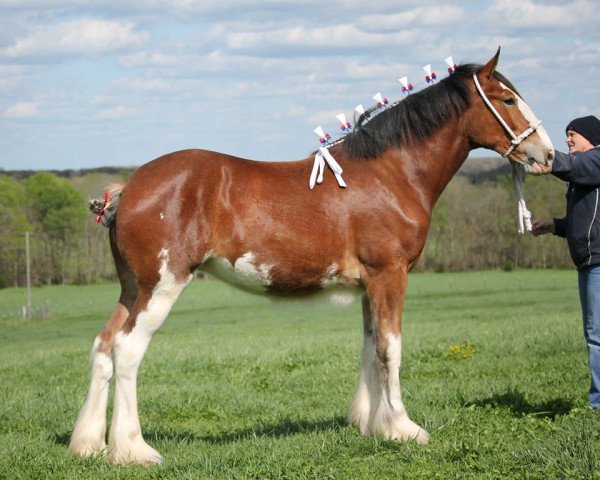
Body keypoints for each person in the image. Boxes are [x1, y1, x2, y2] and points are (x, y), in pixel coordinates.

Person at [532, 115, 600, 409]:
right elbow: (581, 223)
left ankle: (598, 405)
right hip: (587, 262)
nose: (568, 139)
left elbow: (576, 167)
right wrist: (554, 226)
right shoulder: (586, 172)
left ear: (590, 137)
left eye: (572, 134)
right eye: (566, 135)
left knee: (597, 336)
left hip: (599, 262)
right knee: (593, 333)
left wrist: (545, 156)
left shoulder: (596, 159)